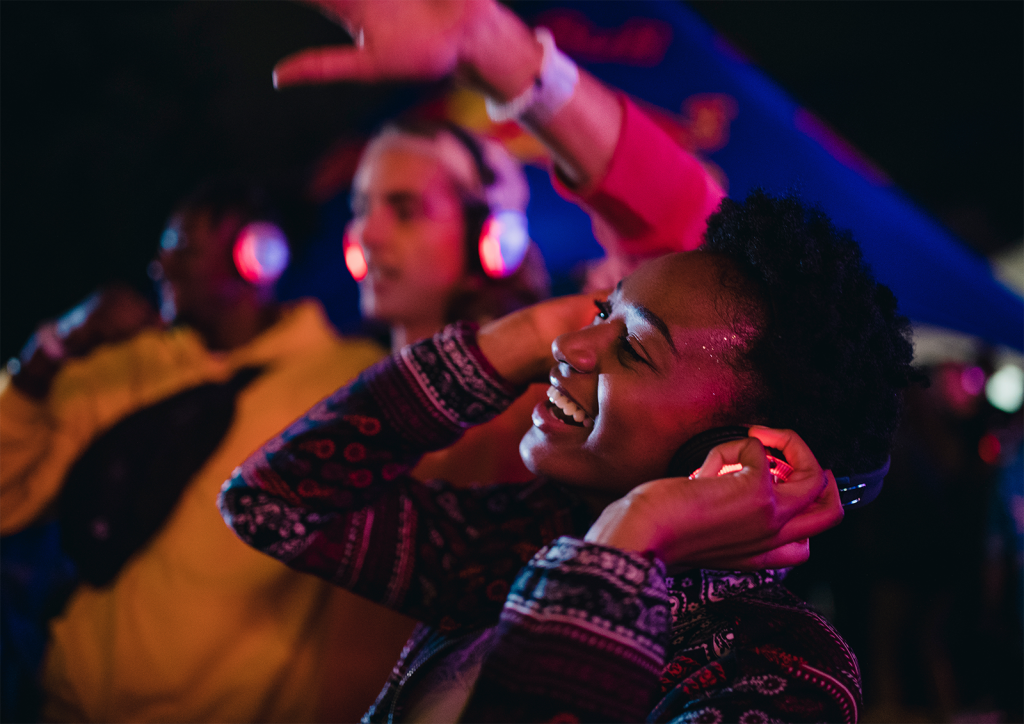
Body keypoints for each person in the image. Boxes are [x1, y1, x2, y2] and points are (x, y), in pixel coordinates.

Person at [218, 2, 921, 721]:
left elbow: (680, 207)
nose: (568, 347)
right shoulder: (524, 541)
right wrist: (523, 336)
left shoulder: (779, 669)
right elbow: (271, 504)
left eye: (634, 348)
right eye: (598, 312)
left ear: (741, 457)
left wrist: (637, 536)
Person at [0, 178, 412, 723]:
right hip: (68, 708)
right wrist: (49, 352)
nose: (160, 265)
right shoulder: (125, 365)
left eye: (183, 246)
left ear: (256, 255)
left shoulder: (341, 379)